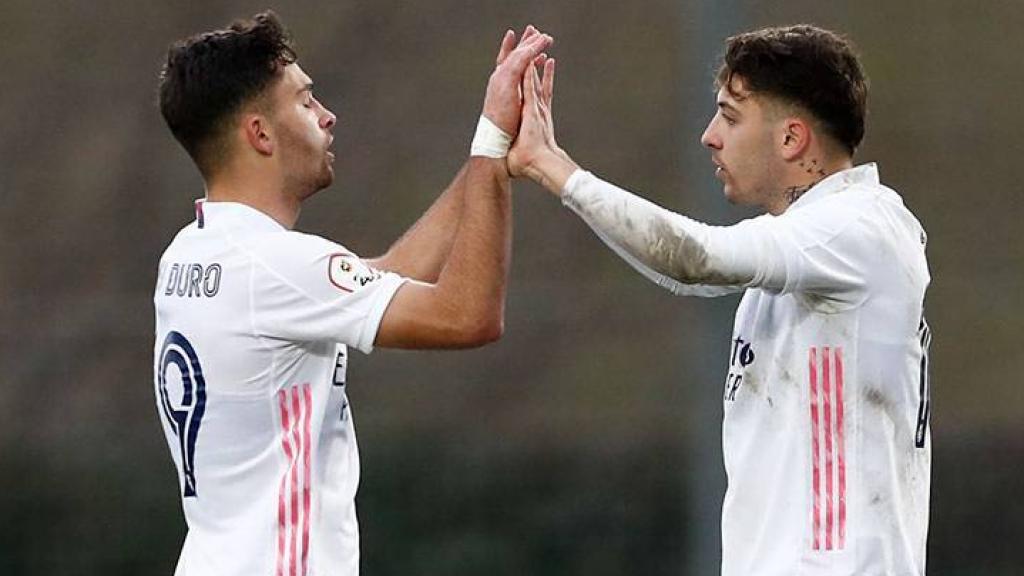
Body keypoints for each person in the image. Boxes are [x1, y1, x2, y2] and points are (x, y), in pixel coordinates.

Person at [509, 25, 931, 576]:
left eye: (731, 117)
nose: (710, 135)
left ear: (791, 139)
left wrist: (555, 168)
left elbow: (697, 258)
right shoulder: (816, 242)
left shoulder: (854, 228)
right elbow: (696, 274)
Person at [153, 11, 551, 576]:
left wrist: (490, 156)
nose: (327, 115)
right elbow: (469, 316)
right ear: (260, 133)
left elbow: (380, 277)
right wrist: (489, 140)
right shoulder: (277, 268)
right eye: (305, 101)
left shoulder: (191, 253)